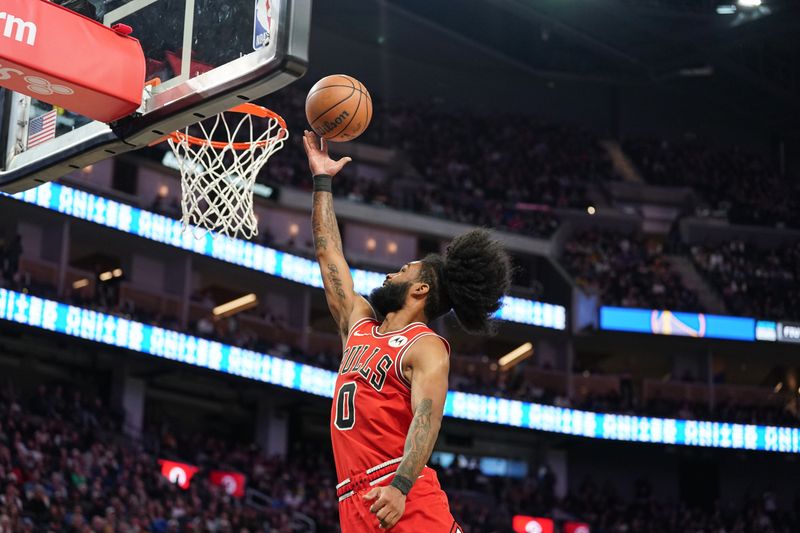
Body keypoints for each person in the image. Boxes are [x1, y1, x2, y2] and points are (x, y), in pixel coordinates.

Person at [302, 131, 511, 532]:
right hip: (355, 500)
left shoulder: (427, 346)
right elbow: (328, 251)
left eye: (402, 270)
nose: (389, 273)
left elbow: (426, 418)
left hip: (402, 495)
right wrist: (322, 181)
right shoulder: (358, 323)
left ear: (420, 289)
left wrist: (400, 486)